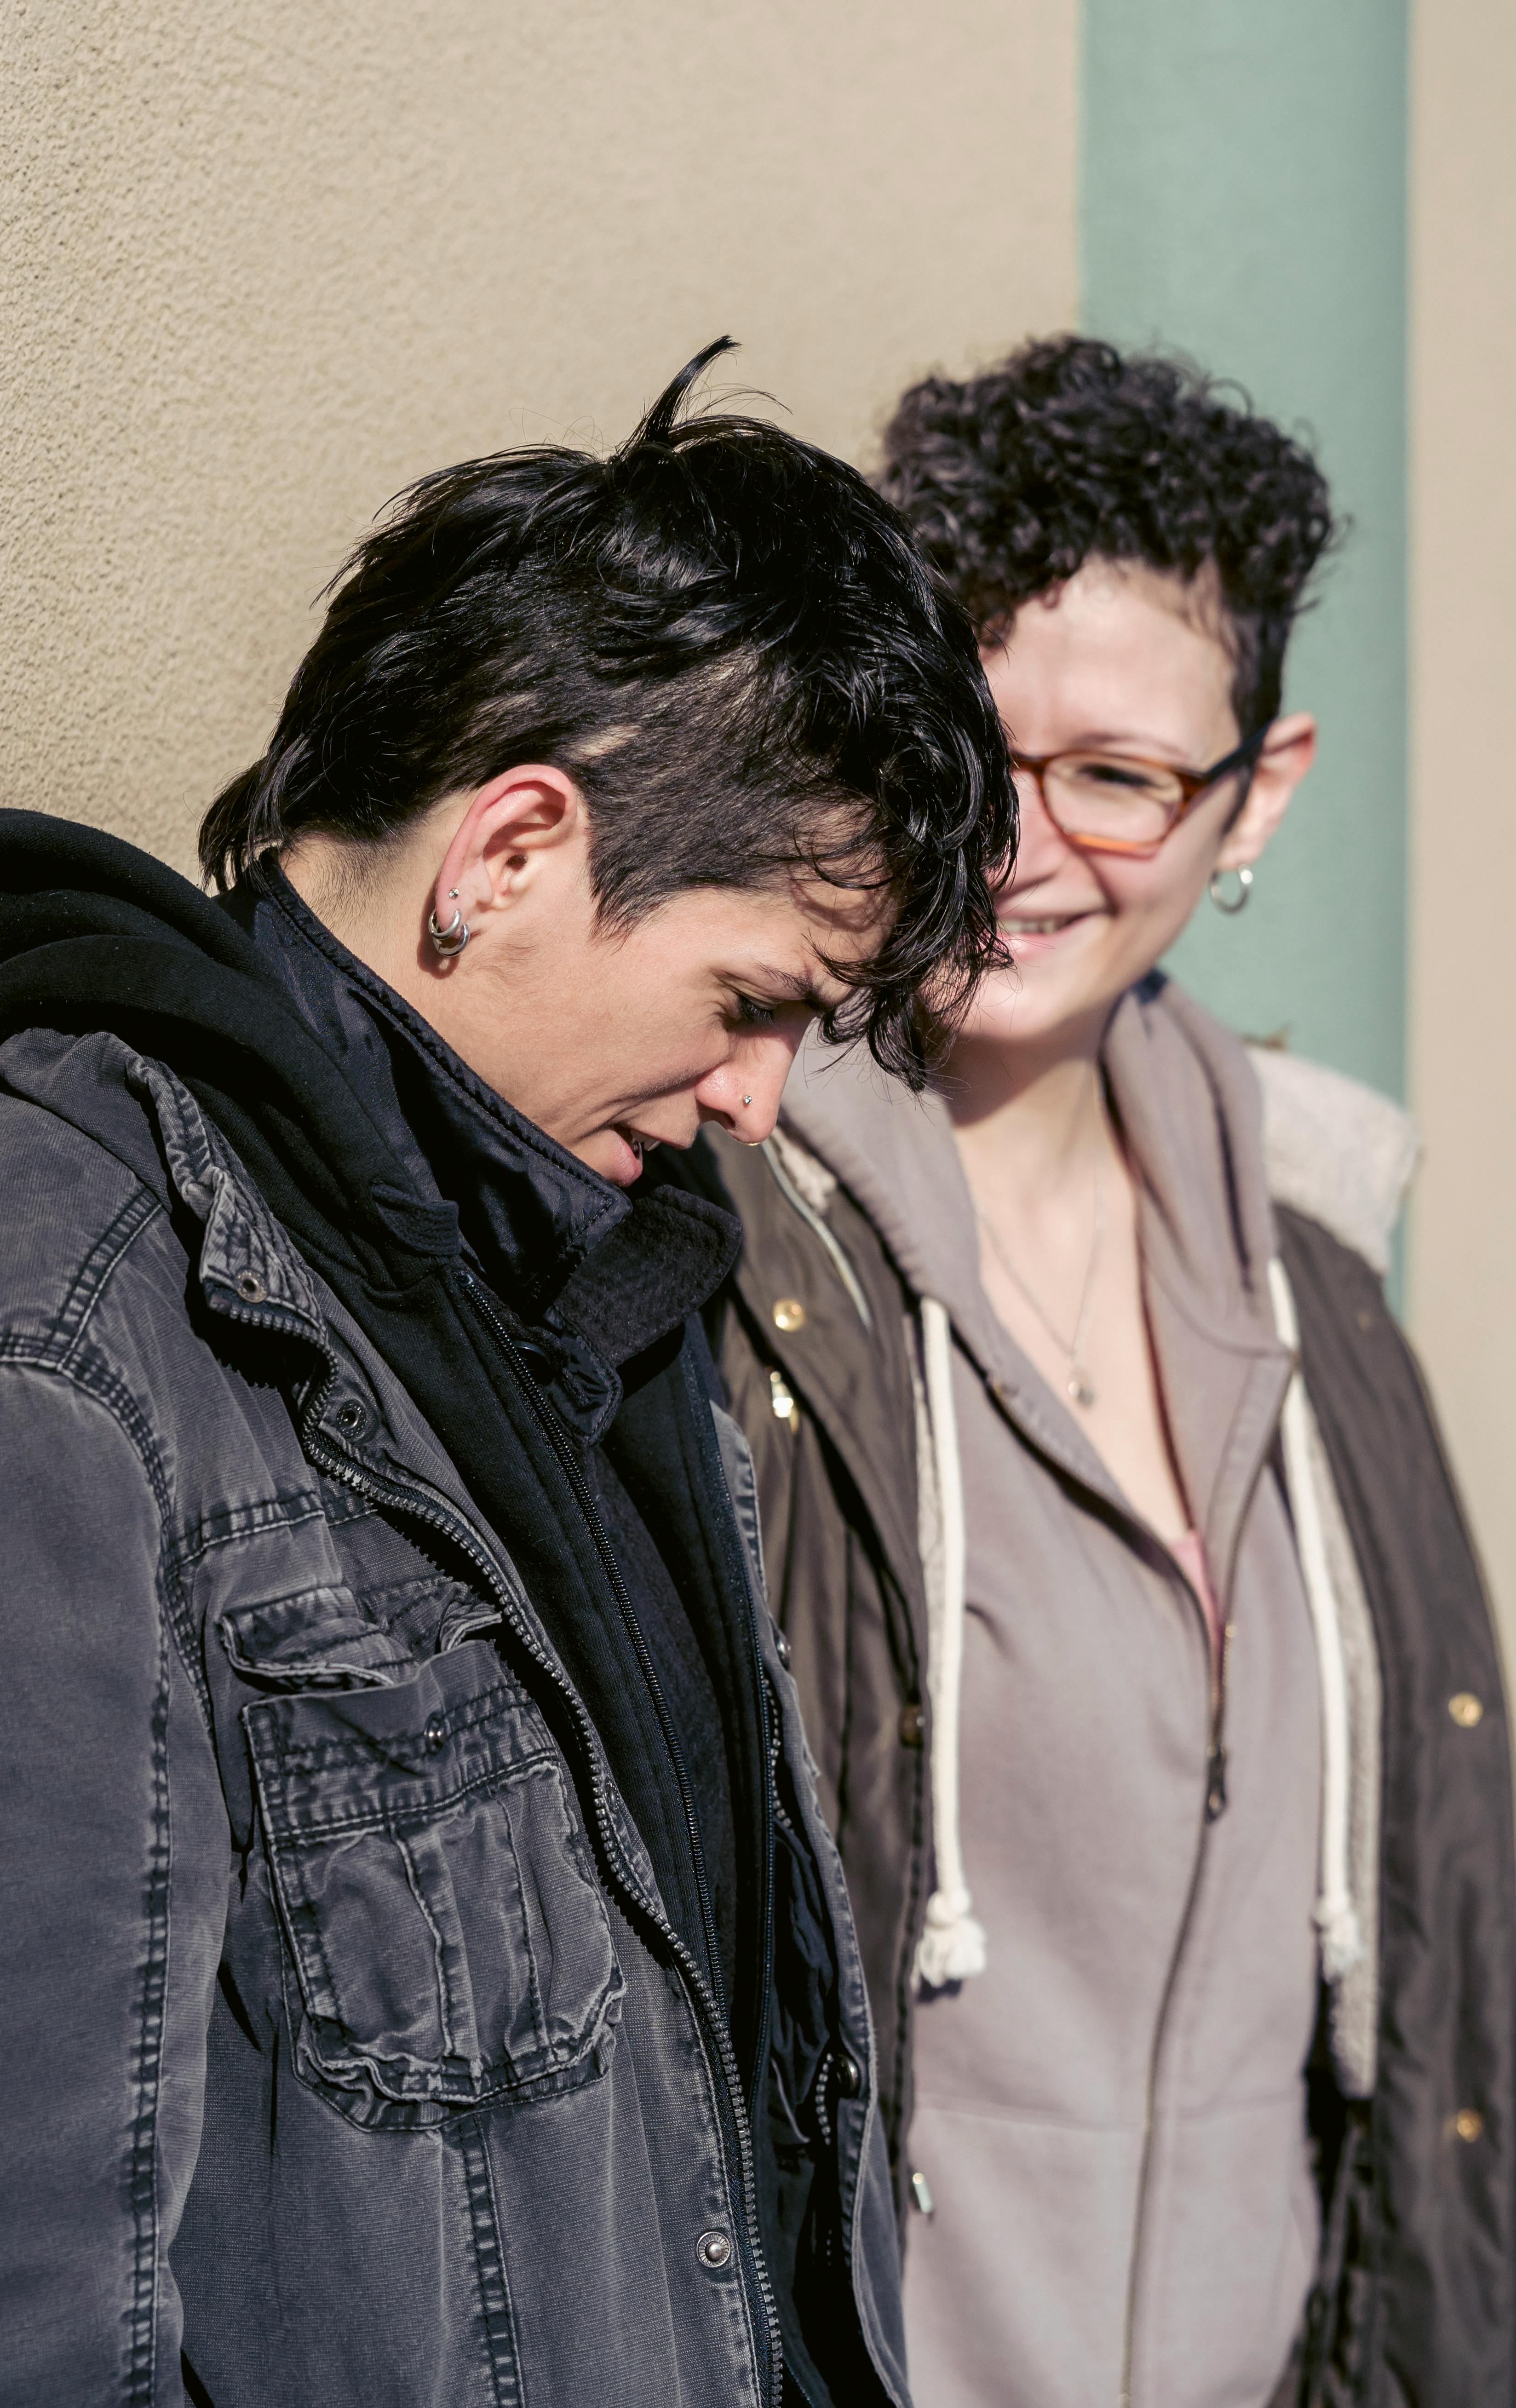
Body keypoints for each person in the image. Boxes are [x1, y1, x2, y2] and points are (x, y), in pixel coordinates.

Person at [0, 342, 1017, 2408]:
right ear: (508, 849)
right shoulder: (51, 1343)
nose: (766, 1102)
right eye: (756, 998)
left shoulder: (624, 1290)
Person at [692, 337, 1516, 2407]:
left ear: (1262, 787)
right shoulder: (729, 1241)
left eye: (1122, 776)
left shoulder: (1319, 1290)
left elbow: (1425, 1987)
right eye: (976, 745)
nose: (1021, 844)